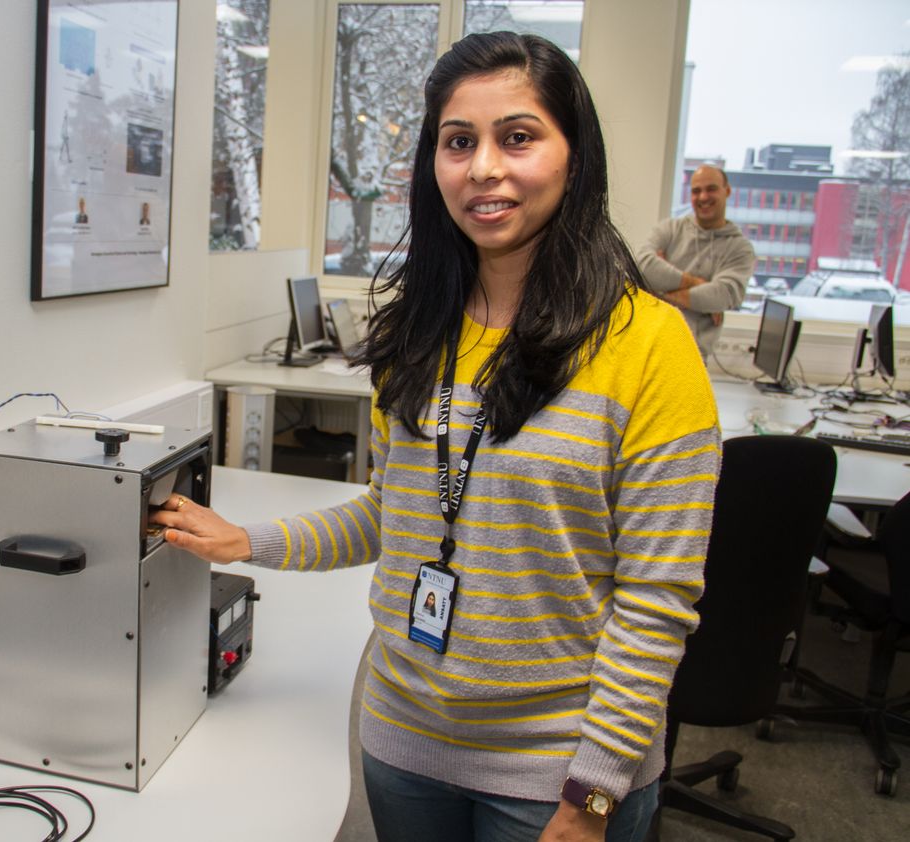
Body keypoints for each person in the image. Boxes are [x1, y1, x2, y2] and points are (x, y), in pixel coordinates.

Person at [152, 31, 720, 842]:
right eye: (459, 142)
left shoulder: (648, 345)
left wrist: (593, 794)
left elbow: (656, 599)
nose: (484, 167)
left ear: (573, 155)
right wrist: (246, 540)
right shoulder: (418, 330)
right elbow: (396, 515)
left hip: (557, 774)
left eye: (517, 137)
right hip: (403, 743)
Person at [635, 165, 754, 360]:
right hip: (651, 351)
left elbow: (724, 294)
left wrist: (658, 294)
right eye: (696, 191)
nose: (703, 197)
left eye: (711, 189)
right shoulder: (670, 229)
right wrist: (697, 286)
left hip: (693, 358)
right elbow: (642, 265)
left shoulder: (739, 249)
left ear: (727, 191)